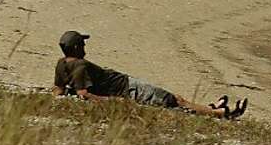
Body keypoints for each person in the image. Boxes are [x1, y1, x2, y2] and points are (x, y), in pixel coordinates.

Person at [51, 30, 246, 119]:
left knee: (175, 101)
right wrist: (111, 101)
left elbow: (57, 91)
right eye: (82, 43)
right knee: (174, 101)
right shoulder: (81, 66)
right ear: (77, 47)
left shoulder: (62, 64)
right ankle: (220, 113)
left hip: (126, 86)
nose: (85, 46)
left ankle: (210, 108)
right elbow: (85, 94)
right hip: (129, 88)